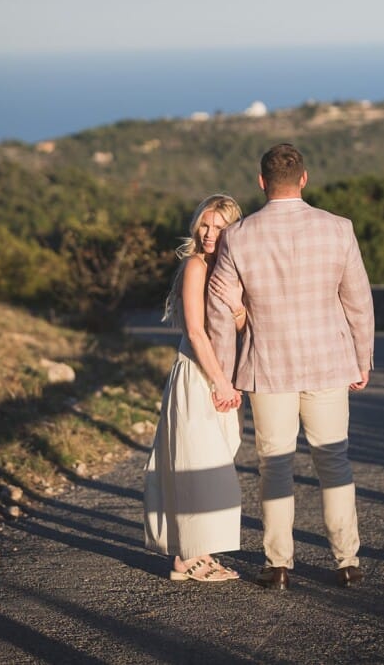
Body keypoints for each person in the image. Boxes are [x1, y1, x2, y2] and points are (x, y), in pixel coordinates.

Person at [206, 142, 375, 590]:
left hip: (267, 367)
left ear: (262, 182)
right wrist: (363, 358)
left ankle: (278, 564)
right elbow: (357, 300)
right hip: (328, 362)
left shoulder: (237, 236)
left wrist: (223, 376)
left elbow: (221, 311)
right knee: (333, 462)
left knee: (274, 465)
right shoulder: (339, 229)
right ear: (304, 178)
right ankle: (347, 563)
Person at [143, 193, 247, 582]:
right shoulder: (195, 265)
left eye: (218, 226)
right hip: (198, 376)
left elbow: (241, 328)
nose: (208, 233)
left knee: (216, 462)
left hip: (224, 378)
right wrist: (220, 383)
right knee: (195, 463)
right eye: (204, 224)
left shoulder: (230, 267)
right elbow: (195, 331)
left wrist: (238, 309)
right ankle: (189, 558)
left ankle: (199, 550)